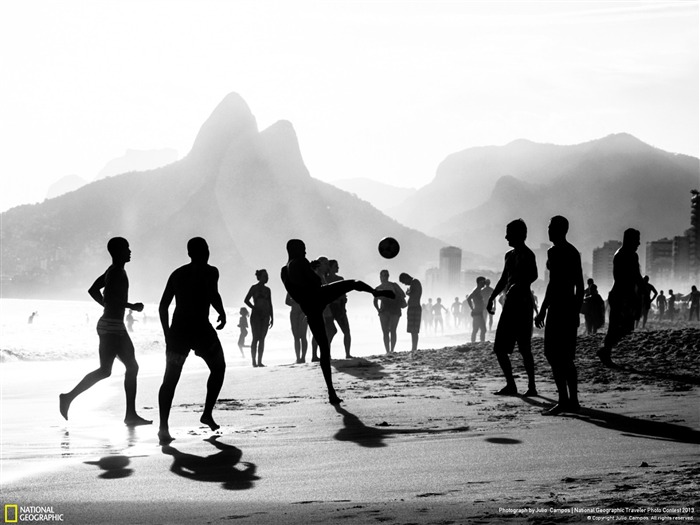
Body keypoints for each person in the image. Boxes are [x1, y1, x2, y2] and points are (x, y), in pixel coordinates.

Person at [280, 239, 393, 405]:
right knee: (353, 283)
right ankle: (375, 292)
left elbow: (295, 295)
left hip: (309, 308)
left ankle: (331, 392)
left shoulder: (284, 271)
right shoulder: (301, 262)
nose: (305, 252)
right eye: (303, 249)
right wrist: (311, 270)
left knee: (324, 351)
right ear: (296, 250)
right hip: (319, 296)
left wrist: (307, 303)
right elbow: (316, 282)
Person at [59, 237, 150, 426]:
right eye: (126, 248)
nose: (130, 251)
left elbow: (93, 290)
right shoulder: (116, 272)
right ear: (118, 252)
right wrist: (130, 305)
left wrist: (107, 307)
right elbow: (110, 298)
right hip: (112, 327)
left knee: (107, 370)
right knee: (130, 367)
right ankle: (130, 415)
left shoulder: (112, 271)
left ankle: (68, 398)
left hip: (110, 324)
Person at [157, 237, 227, 445]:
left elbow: (213, 294)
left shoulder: (183, 274)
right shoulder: (203, 272)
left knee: (216, 368)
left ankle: (202, 416)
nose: (206, 253)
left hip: (185, 331)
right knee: (172, 378)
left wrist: (221, 311)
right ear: (191, 253)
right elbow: (163, 306)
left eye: (206, 249)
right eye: (202, 250)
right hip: (191, 331)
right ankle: (164, 427)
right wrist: (167, 334)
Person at [535, 216, 584, 415]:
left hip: (564, 309)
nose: (548, 230)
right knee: (556, 355)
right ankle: (569, 400)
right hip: (559, 308)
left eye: (550, 227)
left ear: (559, 230)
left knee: (560, 356)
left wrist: (575, 311)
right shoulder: (556, 251)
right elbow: (552, 283)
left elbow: (578, 284)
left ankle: (569, 400)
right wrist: (544, 308)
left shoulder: (567, 252)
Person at [487, 219, 538, 396]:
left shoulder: (528, 254)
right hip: (509, 306)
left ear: (519, 234)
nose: (506, 236)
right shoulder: (509, 255)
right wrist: (492, 297)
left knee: (525, 348)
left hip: (523, 305)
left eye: (509, 233)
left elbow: (534, 275)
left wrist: (520, 284)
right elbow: (503, 279)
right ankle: (511, 384)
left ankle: (532, 387)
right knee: (500, 349)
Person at [597, 228, 644, 366]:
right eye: (637, 240)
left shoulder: (630, 255)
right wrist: (639, 291)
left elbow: (636, 277)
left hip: (624, 296)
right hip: (620, 296)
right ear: (629, 240)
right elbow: (631, 277)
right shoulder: (623, 255)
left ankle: (605, 349)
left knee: (624, 327)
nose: (639, 243)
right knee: (618, 326)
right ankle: (605, 350)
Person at [244, 269, 274, 368]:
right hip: (256, 316)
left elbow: (270, 304)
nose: (267, 278)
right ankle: (254, 361)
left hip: (266, 315)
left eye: (267, 276)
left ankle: (260, 361)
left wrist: (272, 317)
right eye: (265, 276)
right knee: (255, 338)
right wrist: (254, 308)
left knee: (262, 338)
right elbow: (246, 300)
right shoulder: (254, 288)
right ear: (259, 277)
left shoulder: (268, 290)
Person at [373, 269, 406, 353]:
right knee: (385, 332)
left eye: (386, 275)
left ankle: (392, 350)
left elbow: (403, 294)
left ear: (388, 276)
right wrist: (378, 310)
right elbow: (375, 300)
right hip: (383, 311)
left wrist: (394, 296)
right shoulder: (378, 288)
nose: (384, 277)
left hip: (394, 310)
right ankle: (387, 351)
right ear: (380, 277)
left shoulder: (394, 285)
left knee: (393, 330)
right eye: (383, 275)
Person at [327, 259, 353, 358]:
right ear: (330, 268)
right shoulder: (326, 279)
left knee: (346, 331)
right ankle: (327, 354)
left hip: (340, 306)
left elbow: (343, 295)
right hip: (330, 307)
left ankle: (347, 353)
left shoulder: (340, 279)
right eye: (335, 266)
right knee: (330, 332)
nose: (338, 268)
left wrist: (343, 305)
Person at [399, 272, 422, 356]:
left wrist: (408, 293)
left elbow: (415, 294)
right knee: (413, 330)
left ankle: (414, 347)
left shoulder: (415, 282)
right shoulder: (415, 282)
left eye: (404, 282)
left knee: (414, 330)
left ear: (406, 278)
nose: (405, 284)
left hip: (414, 307)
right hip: (414, 307)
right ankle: (414, 347)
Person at [286, 293, 309, 363]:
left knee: (303, 336)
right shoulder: (291, 287)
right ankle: (298, 358)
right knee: (296, 336)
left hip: (303, 312)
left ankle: (303, 357)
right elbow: (287, 301)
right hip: (294, 313)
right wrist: (294, 302)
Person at [467, 277, 487, 343]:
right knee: (478, 329)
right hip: (477, 312)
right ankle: (477, 342)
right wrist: (472, 308)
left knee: (480, 329)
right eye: (483, 281)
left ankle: (481, 342)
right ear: (480, 282)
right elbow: (469, 298)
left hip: (479, 312)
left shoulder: (479, 290)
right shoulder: (476, 290)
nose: (485, 283)